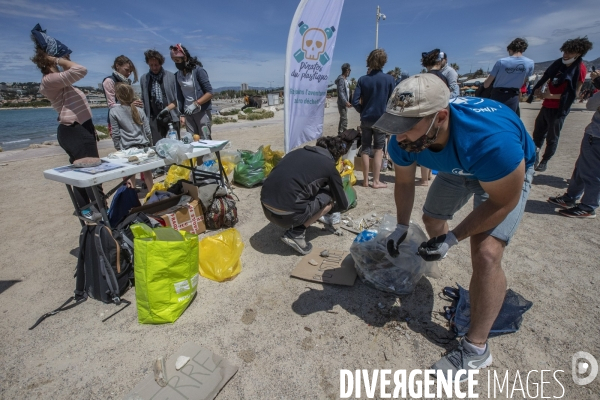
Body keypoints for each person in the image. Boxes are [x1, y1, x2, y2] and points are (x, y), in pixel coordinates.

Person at [373, 74, 535, 381]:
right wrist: (401, 227)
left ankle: (476, 351)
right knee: (432, 218)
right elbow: (405, 183)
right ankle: (440, 248)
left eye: (407, 127)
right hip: (457, 166)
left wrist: (454, 237)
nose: (400, 137)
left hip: (500, 171)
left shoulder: (492, 142)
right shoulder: (405, 138)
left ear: (441, 117)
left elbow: (502, 202)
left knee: (486, 253)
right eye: (396, 126)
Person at [32, 24, 105, 216]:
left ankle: (90, 217)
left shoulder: (57, 80)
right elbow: (81, 70)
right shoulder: (49, 80)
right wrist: (57, 59)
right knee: (92, 177)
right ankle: (99, 219)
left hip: (79, 129)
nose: (67, 59)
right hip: (75, 130)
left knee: (83, 177)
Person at [260, 136, 350, 255]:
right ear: (335, 156)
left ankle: (298, 217)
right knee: (329, 196)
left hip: (266, 207)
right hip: (288, 216)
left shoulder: (295, 152)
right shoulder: (329, 166)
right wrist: (330, 208)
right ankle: (296, 233)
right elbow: (343, 204)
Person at [527, 37, 593, 172]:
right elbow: (547, 79)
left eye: (569, 52)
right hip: (546, 105)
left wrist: (550, 96)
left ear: (578, 53)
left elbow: (575, 93)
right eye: (564, 51)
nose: (565, 55)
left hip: (559, 108)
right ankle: (534, 157)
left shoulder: (579, 69)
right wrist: (540, 91)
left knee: (552, 136)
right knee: (538, 133)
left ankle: (545, 160)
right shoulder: (558, 65)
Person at [547, 71, 600, 218]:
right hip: (593, 135)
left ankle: (588, 206)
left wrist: (598, 81)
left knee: (593, 172)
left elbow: (591, 104)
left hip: (597, 136)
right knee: (581, 168)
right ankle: (571, 197)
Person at [351, 49, 395, 189]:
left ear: (369, 60)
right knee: (378, 149)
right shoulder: (389, 79)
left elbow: (355, 101)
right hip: (381, 119)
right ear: (384, 62)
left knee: (365, 148)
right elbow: (392, 101)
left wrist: (362, 110)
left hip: (366, 118)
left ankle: (365, 181)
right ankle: (375, 181)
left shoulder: (363, 80)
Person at [164, 44, 213, 140]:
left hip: (201, 111)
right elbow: (180, 97)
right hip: (188, 113)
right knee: (191, 141)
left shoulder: (198, 71)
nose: (176, 63)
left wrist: (195, 104)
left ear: (185, 57)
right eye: (174, 61)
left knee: (205, 139)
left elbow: (210, 93)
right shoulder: (177, 76)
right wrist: (178, 113)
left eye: (178, 60)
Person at [109, 83, 154, 191]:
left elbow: (115, 133)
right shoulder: (140, 110)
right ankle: (152, 195)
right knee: (147, 172)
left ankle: (132, 198)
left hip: (127, 147)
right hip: (143, 146)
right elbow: (147, 131)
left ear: (118, 96)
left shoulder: (114, 111)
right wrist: (151, 144)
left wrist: (118, 147)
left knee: (130, 175)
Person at [483, 38, 534, 116]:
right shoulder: (530, 63)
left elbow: (486, 84)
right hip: (513, 96)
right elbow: (524, 81)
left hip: (498, 95)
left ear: (510, 49)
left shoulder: (501, 62)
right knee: (511, 120)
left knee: (497, 119)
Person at [139, 49, 179, 146]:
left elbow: (178, 98)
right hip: (153, 118)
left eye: (156, 65)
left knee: (175, 146)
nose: (154, 68)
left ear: (161, 63)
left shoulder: (171, 76)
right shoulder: (144, 78)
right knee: (158, 146)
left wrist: (169, 110)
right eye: (151, 65)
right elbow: (144, 98)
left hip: (170, 116)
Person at [102, 55, 142, 130]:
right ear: (117, 66)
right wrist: (130, 105)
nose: (129, 73)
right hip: (117, 120)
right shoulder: (109, 81)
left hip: (129, 118)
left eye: (130, 71)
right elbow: (111, 105)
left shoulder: (125, 81)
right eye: (127, 70)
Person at [336, 63, 352, 134]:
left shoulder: (346, 80)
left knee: (342, 119)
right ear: (347, 70)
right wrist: (346, 102)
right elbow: (341, 92)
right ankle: (344, 135)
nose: (350, 72)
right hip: (342, 103)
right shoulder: (341, 79)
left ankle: (340, 133)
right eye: (349, 70)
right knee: (344, 120)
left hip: (344, 103)